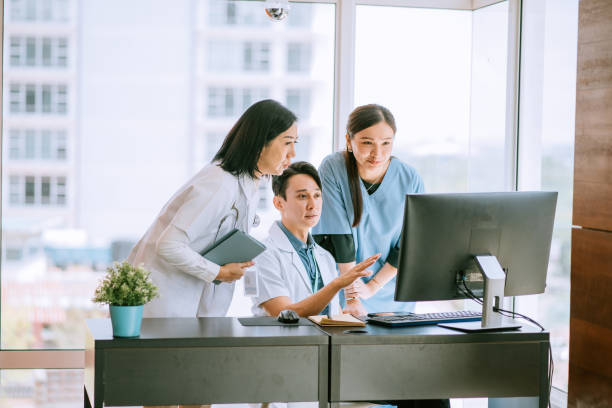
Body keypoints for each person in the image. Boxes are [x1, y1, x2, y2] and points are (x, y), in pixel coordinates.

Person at [128, 99, 298, 321]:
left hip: (193, 306)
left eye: (295, 143)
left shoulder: (249, 185)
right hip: (165, 302)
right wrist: (219, 273)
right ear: (260, 142)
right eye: (287, 143)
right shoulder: (219, 183)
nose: (292, 153)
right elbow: (168, 245)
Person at [312, 104, 425, 317]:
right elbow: (340, 238)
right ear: (349, 140)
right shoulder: (333, 168)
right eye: (367, 143)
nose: (377, 153)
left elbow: (410, 244)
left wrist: (373, 286)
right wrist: (352, 297)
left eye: (386, 143)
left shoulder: (409, 178)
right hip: (342, 289)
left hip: (391, 292)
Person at [252, 161, 380, 318]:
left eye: (317, 195)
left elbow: (332, 315)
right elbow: (284, 314)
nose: (313, 205)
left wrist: (352, 318)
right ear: (279, 203)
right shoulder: (263, 254)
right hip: (282, 335)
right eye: (302, 196)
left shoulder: (325, 257)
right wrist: (337, 284)